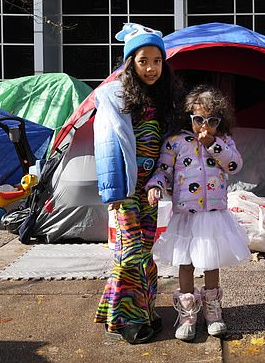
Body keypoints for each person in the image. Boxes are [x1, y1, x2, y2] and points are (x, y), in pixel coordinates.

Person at [93, 23, 180, 344]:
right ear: (131, 63)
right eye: (143, 61)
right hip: (126, 189)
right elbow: (105, 146)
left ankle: (136, 310)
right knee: (131, 253)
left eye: (157, 61)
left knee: (143, 252)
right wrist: (113, 190)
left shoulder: (164, 99)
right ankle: (129, 320)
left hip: (150, 190)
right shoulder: (114, 98)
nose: (151, 68)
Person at [146, 84, 251, 341]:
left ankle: (213, 311)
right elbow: (162, 170)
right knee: (186, 262)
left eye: (212, 120)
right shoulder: (176, 143)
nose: (205, 125)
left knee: (210, 260)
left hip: (213, 213)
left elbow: (235, 164)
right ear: (188, 117)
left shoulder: (223, 140)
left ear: (220, 120)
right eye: (199, 119)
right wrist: (155, 186)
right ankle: (187, 311)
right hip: (185, 213)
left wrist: (214, 144)